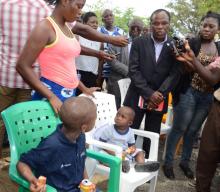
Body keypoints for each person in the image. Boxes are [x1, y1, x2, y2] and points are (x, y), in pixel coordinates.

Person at [16, 0, 128, 115]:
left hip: (68, 92)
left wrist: (84, 89)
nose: (80, 12)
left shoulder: (67, 28)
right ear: (65, 1)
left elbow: (67, 66)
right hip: (51, 94)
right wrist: (51, 97)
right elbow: (22, 66)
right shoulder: (45, 27)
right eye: (78, 6)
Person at [163, 11, 220, 180]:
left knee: (193, 131)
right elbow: (183, 69)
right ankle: (168, 162)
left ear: (218, 29)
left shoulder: (219, 47)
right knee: (179, 128)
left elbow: (215, 77)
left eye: (211, 26)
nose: (207, 29)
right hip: (189, 91)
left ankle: (185, 163)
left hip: (208, 96)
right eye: (204, 25)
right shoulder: (192, 43)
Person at [124, 9, 181, 157]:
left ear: (169, 24)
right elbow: (133, 70)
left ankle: (147, 164)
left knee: (152, 134)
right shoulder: (139, 42)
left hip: (159, 99)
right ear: (151, 24)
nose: (160, 26)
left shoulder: (175, 46)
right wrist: (149, 93)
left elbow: (174, 74)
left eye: (164, 23)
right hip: (137, 95)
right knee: (129, 133)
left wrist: (159, 94)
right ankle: (126, 162)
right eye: (156, 23)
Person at [0, 0, 51, 164]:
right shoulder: (45, 9)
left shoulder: (3, 5)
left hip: (5, 75)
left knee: (0, 121)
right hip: (31, 77)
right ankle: (22, 163)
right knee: (23, 124)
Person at [17, 96, 97, 192]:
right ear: (84, 127)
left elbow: (80, 161)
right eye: (95, 117)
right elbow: (22, 163)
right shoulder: (51, 145)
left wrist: (86, 182)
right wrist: (33, 180)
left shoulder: (80, 137)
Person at [107, 18, 144, 108]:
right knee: (114, 110)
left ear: (142, 29)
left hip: (135, 84)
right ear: (129, 27)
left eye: (138, 28)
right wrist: (130, 72)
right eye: (133, 27)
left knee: (129, 111)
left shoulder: (144, 44)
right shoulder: (117, 40)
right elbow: (111, 60)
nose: (135, 30)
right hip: (116, 82)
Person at [76, 12, 104, 94]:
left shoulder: (100, 41)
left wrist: (99, 77)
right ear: (84, 23)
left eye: (97, 23)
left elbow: (100, 61)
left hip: (93, 75)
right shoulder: (77, 37)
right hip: (78, 74)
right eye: (92, 22)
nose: (95, 25)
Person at [98, 9, 125, 85]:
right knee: (97, 90)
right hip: (100, 67)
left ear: (113, 17)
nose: (109, 17)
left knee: (113, 93)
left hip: (115, 68)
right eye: (106, 16)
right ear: (103, 19)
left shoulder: (121, 32)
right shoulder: (98, 31)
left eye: (111, 15)